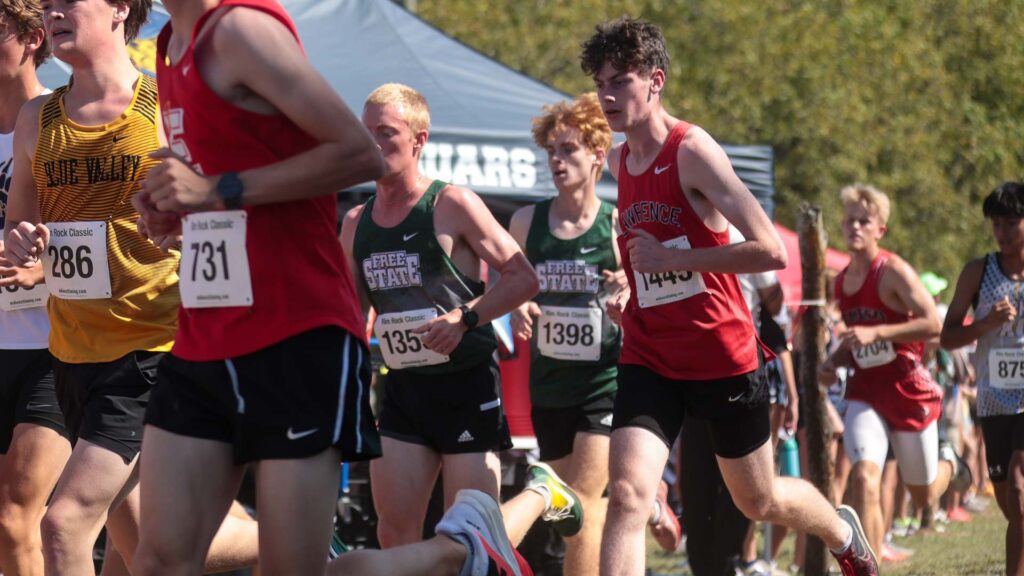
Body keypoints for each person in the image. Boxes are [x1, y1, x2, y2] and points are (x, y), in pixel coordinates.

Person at [580, 17, 878, 575]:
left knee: (758, 501)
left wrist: (676, 261)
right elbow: (647, 257)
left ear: (655, 80)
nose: (607, 96)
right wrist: (630, 289)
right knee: (625, 496)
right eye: (600, 83)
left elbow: (771, 250)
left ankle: (841, 533)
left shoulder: (692, 151)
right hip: (651, 356)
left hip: (722, 357)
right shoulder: (618, 164)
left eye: (619, 81)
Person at [125, 0, 383, 572]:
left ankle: (451, 552)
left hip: (296, 331)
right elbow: (218, 173)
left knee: (288, 567)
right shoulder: (168, 44)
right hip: (205, 334)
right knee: (158, 561)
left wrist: (213, 191)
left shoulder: (240, 31)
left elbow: (361, 154)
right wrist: (175, 206)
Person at [339, 82, 539, 548]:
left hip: (465, 383)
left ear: (418, 139)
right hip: (403, 387)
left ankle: (539, 494)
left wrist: (464, 318)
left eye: (386, 132)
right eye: (366, 132)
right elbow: (352, 311)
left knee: (471, 537)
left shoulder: (452, 204)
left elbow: (522, 278)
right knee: (394, 532)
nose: (374, 144)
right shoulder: (355, 224)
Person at [508, 92, 641, 573]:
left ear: (597, 157)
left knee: (585, 500)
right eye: (552, 152)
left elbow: (648, 285)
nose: (558, 161)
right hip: (549, 384)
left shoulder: (615, 226)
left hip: (602, 383)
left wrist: (628, 283)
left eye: (569, 150)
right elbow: (500, 287)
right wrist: (519, 303)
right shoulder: (526, 222)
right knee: (562, 508)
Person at [822, 184, 968, 559]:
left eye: (864, 221)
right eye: (849, 220)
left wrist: (880, 331)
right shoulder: (841, 280)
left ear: (879, 230)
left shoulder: (893, 271)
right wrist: (832, 362)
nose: (855, 227)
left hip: (907, 388)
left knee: (922, 494)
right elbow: (857, 342)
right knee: (864, 478)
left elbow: (935, 326)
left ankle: (951, 463)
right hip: (866, 390)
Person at [0, 2, 70, 574]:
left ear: (31, 38)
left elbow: (110, 234)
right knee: (140, 538)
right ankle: (278, 541)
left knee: (18, 520)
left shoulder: (62, 117)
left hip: (57, 347)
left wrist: (43, 267)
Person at [940, 181, 1024, 576]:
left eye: (1012, 222)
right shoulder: (978, 272)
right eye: (997, 224)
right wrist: (986, 323)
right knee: (1011, 504)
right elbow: (947, 335)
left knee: (1021, 488)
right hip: (993, 400)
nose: (1003, 233)